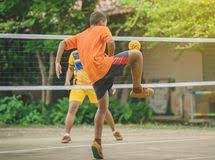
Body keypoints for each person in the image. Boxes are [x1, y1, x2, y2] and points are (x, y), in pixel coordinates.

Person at [55, 11, 154, 159]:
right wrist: (111, 57)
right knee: (137, 55)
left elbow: (62, 43)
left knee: (102, 108)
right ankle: (137, 89)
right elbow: (111, 43)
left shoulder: (80, 36)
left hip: (94, 76)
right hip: (103, 66)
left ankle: (97, 142)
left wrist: (57, 62)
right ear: (102, 22)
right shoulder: (102, 28)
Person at [61, 50, 123, 143]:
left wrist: (111, 84)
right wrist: (67, 80)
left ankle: (114, 131)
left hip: (95, 85)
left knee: (103, 109)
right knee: (72, 108)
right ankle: (66, 135)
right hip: (79, 85)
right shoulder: (74, 54)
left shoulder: (98, 53)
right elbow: (70, 68)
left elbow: (107, 70)